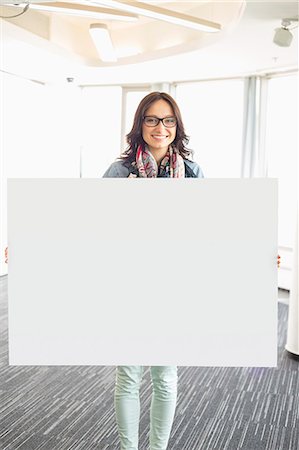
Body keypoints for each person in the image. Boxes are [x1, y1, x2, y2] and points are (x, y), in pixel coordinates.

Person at [102, 91, 204, 450]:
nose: (161, 128)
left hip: (172, 287)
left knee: (165, 376)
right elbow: (88, 223)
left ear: (177, 125)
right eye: (152, 119)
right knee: (128, 376)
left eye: (168, 120)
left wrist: (256, 256)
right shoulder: (120, 171)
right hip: (128, 284)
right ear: (140, 124)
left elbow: (211, 229)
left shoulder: (191, 173)